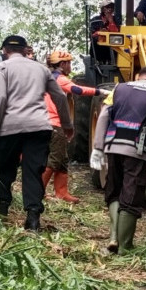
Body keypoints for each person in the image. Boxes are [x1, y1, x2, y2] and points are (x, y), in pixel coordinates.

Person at [0, 35, 73, 231]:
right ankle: (32, 218)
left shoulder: (2, 68)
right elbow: (59, 96)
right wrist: (67, 125)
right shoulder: (41, 69)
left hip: (10, 127)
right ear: (26, 51)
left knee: (4, 169)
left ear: (4, 51)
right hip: (39, 127)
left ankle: (2, 211)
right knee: (33, 170)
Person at [91, 66, 146, 254]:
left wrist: (98, 147)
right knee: (131, 195)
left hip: (113, 147)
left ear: (138, 77)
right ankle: (125, 247)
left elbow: (104, 115)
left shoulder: (119, 88)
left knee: (113, 191)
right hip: (136, 151)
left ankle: (114, 237)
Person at [42, 50, 109, 203]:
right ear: (63, 64)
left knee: (62, 159)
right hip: (55, 123)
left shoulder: (49, 77)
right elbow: (77, 90)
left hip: (49, 122)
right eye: (69, 63)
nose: (70, 66)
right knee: (54, 159)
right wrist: (100, 91)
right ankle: (39, 191)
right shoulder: (60, 79)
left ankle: (62, 192)